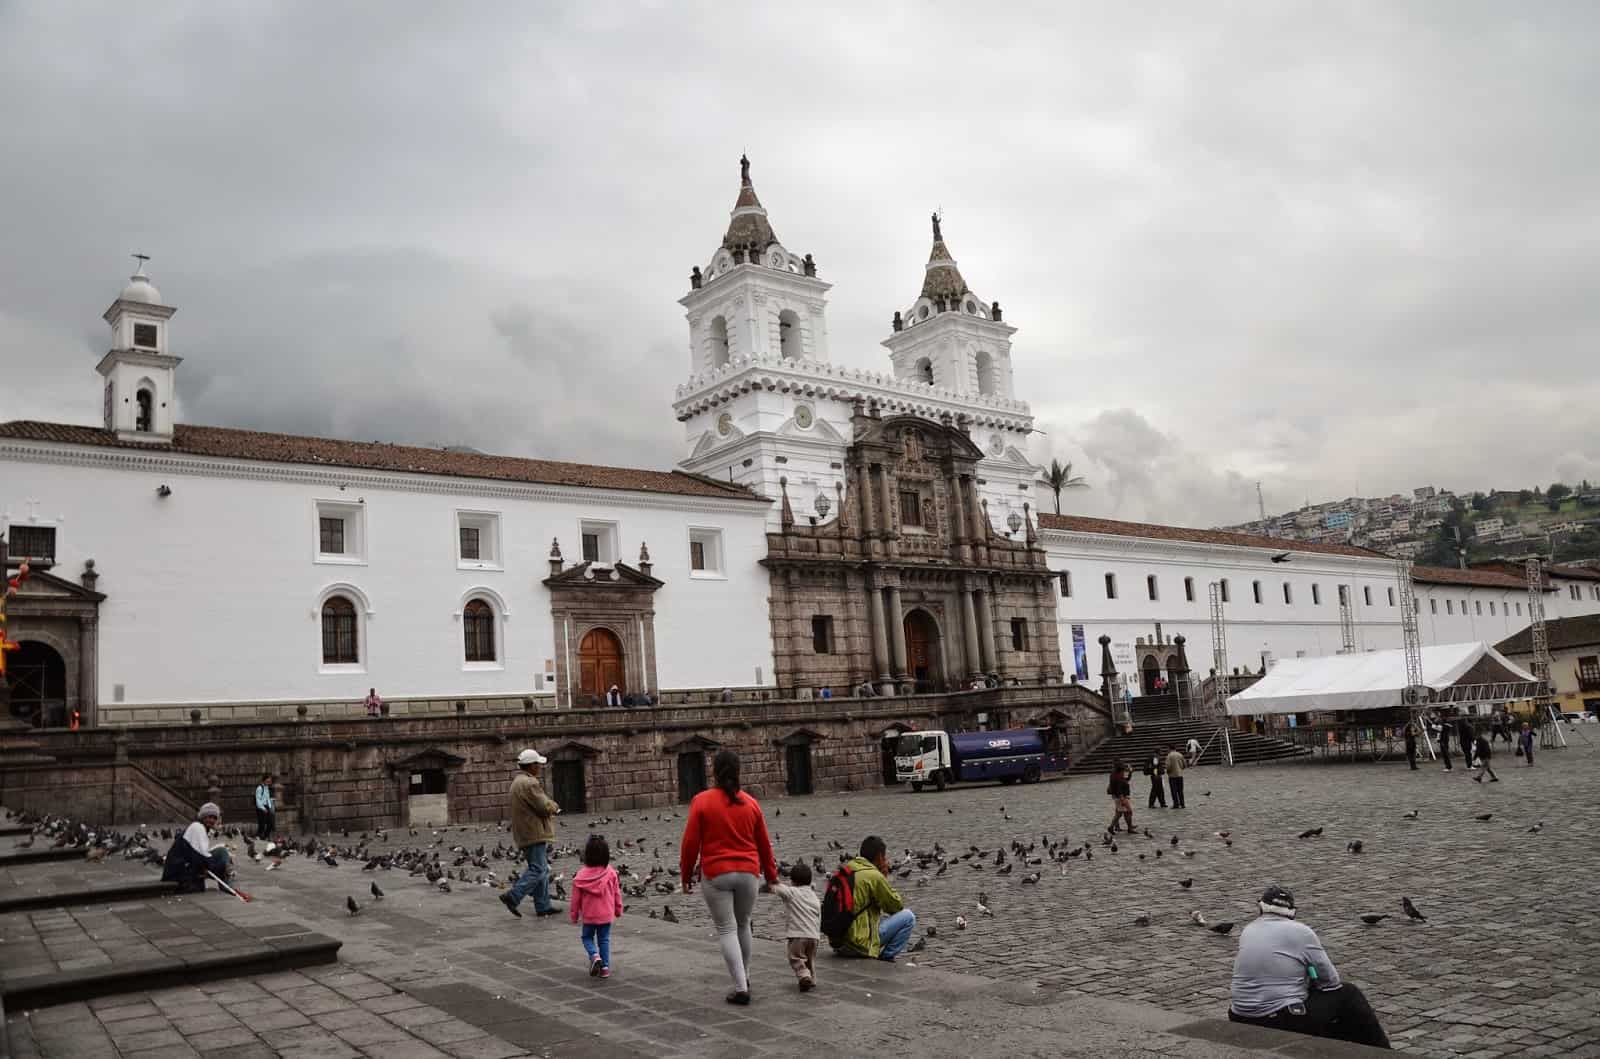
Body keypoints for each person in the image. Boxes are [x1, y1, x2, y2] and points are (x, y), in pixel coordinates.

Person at [1229, 886, 1391, 1049]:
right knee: (1349, 994)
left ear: (1261, 907)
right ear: (1292, 912)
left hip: (1239, 1016)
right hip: (1277, 1018)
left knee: (1328, 1021)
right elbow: (1330, 981)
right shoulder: (1301, 932)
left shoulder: (1249, 929)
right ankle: (1386, 1052)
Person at [680, 750, 778, 1005]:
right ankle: (745, 975)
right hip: (748, 872)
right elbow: (764, 844)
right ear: (738, 772)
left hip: (716, 873)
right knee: (744, 924)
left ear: (714, 771)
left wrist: (686, 873)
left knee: (726, 928)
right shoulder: (751, 803)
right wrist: (772, 876)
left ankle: (740, 986)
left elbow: (690, 843)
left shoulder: (701, 801)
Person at [833, 835, 915, 962]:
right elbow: (896, 906)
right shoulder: (874, 876)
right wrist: (884, 877)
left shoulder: (847, 868)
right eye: (884, 856)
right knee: (908, 917)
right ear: (880, 857)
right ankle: (886, 958)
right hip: (859, 944)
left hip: (839, 942)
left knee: (877, 916)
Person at [501, 748, 561, 918]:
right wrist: (554, 806)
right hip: (533, 831)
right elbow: (543, 806)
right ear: (531, 765)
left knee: (540, 869)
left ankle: (543, 906)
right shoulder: (530, 783)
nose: (540, 767)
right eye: (538, 764)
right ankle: (513, 896)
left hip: (524, 831)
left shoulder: (517, 782)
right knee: (538, 869)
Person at [569, 834, 623, 979]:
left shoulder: (580, 875)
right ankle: (605, 968)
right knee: (604, 939)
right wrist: (618, 909)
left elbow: (575, 899)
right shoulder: (611, 872)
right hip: (606, 914)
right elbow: (616, 893)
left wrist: (574, 915)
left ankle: (594, 956)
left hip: (589, 916)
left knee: (587, 937)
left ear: (587, 855)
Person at [767, 861, 822, 992]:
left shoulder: (792, 892)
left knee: (796, 958)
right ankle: (812, 978)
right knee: (810, 960)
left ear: (793, 881)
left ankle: (804, 976)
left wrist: (769, 883)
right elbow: (818, 914)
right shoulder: (814, 896)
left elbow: (777, 888)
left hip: (798, 935)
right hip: (814, 936)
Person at [161, 802, 234, 893]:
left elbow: (199, 857)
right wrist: (223, 867)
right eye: (209, 817)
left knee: (221, 857)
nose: (212, 820)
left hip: (181, 872)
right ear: (203, 817)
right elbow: (203, 858)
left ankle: (227, 886)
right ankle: (229, 887)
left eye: (214, 818)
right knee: (222, 853)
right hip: (179, 877)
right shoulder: (197, 827)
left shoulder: (199, 827)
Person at [1107, 761, 1134, 833]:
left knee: (1120, 813)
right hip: (1121, 797)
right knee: (1128, 811)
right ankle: (1128, 828)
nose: (1124, 771)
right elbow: (1119, 790)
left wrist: (1130, 773)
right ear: (1120, 770)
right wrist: (1123, 800)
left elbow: (1126, 780)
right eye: (1123, 770)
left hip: (1118, 797)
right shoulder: (1118, 778)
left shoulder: (1116, 775)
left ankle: (1113, 827)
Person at [1165, 744, 1188, 809]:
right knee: (1180, 790)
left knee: (1174, 791)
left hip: (1172, 776)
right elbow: (1184, 764)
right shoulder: (1180, 754)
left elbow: (1168, 766)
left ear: (1169, 748)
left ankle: (1176, 804)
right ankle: (1182, 804)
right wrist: (1181, 769)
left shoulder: (1169, 756)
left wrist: (1168, 771)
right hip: (1180, 775)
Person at [253, 774, 275, 839]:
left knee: (270, 823)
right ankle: (258, 836)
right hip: (260, 808)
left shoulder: (267, 788)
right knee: (261, 824)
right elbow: (258, 800)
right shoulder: (259, 788)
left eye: (270, 781)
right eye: (268, 781)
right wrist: (263, 808)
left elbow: (267, 798)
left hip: (266, 807)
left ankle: (264, 836)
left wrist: (270, 806)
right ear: (264, 780)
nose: (269, 782)